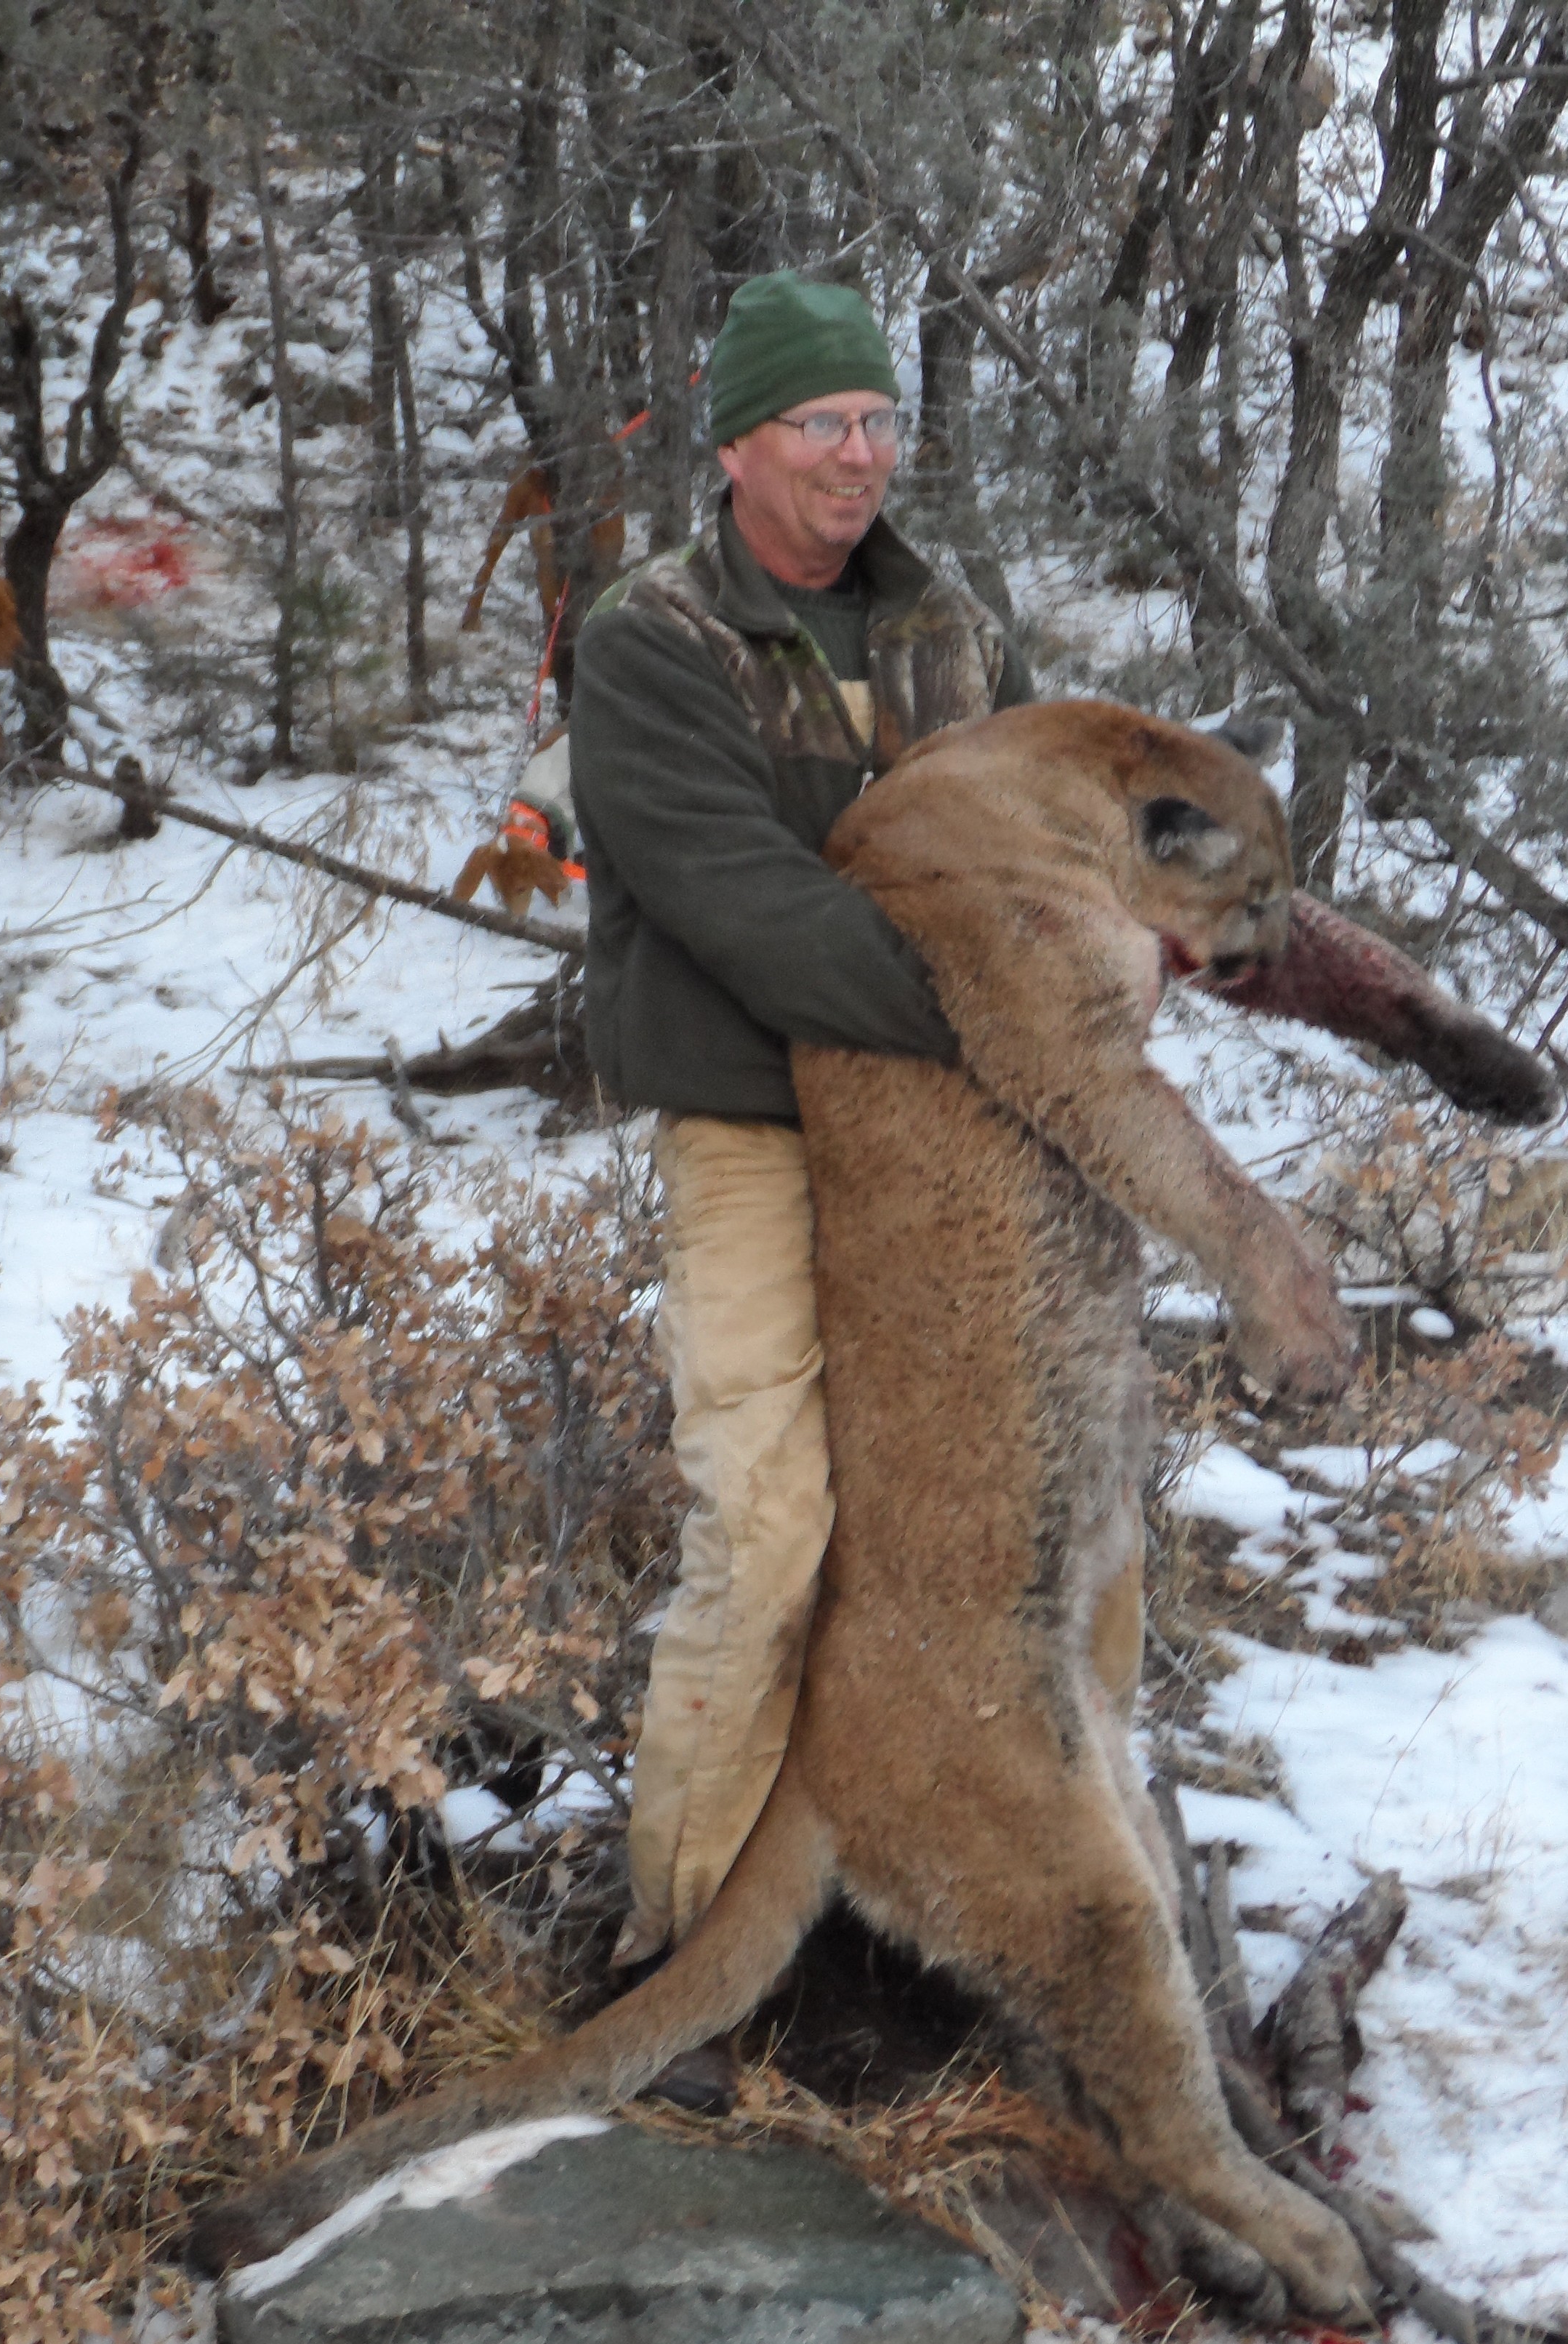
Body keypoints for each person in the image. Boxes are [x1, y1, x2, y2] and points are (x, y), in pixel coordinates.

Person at [569, 270, 1029, 1972]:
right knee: (768, 1533)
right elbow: (741, 903)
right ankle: (680, 1950)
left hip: (939, 1144)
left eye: (879, 419)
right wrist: (1010, 1018)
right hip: (759, 1132)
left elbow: (1034, 852)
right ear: (739, 443)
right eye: (822, 423)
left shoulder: (949, 628)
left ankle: (917, 1920)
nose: (859, 454)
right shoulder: (651, 640)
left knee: (954, 1533)